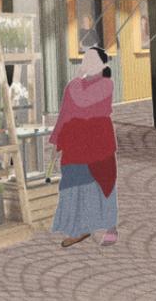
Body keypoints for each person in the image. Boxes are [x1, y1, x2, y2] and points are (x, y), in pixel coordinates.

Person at [50, 46, 118, 248]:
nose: (85, 62)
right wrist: (56, 142)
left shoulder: (107, 84)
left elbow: (83, 101)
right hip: (74, 143)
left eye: (90, 59)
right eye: (84, 58)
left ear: (102, 63)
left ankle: (106, 225)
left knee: (99, 181)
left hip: (98, 142)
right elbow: (65, 114)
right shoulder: (74, 85)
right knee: (74, 182)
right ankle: (78, 227)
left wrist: (77, 78)